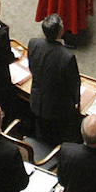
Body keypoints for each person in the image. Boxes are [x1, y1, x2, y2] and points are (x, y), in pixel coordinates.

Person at [27, 14, 82, 147]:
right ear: (61, 31)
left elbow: (31, 67)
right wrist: (77, 101)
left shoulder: (33, 43)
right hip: (57, 109)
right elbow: (74, 83)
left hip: (37, 101)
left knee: (42, 132)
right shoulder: (67, 57)